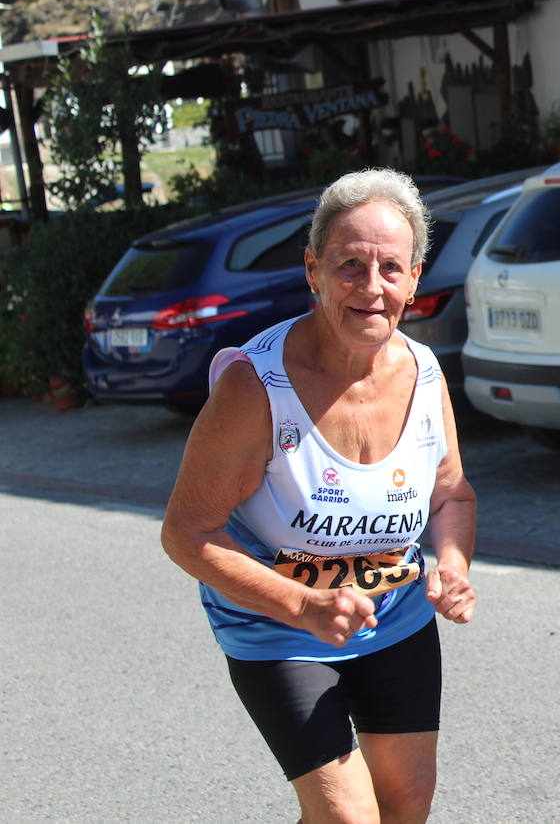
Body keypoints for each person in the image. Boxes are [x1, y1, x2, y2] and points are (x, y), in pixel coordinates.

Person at [162, 168, 478, 822]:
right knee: (346, 818)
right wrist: (301, 603)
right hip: (278, 623)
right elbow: (187, 532)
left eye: (391, 268)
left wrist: (452, 566)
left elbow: (452, 496)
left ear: (415, 279)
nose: (371, 287)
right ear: (313, 270)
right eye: (349, 265)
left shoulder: (424, 374)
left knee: (407, 806)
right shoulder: (256, 388)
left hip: (393, 612)